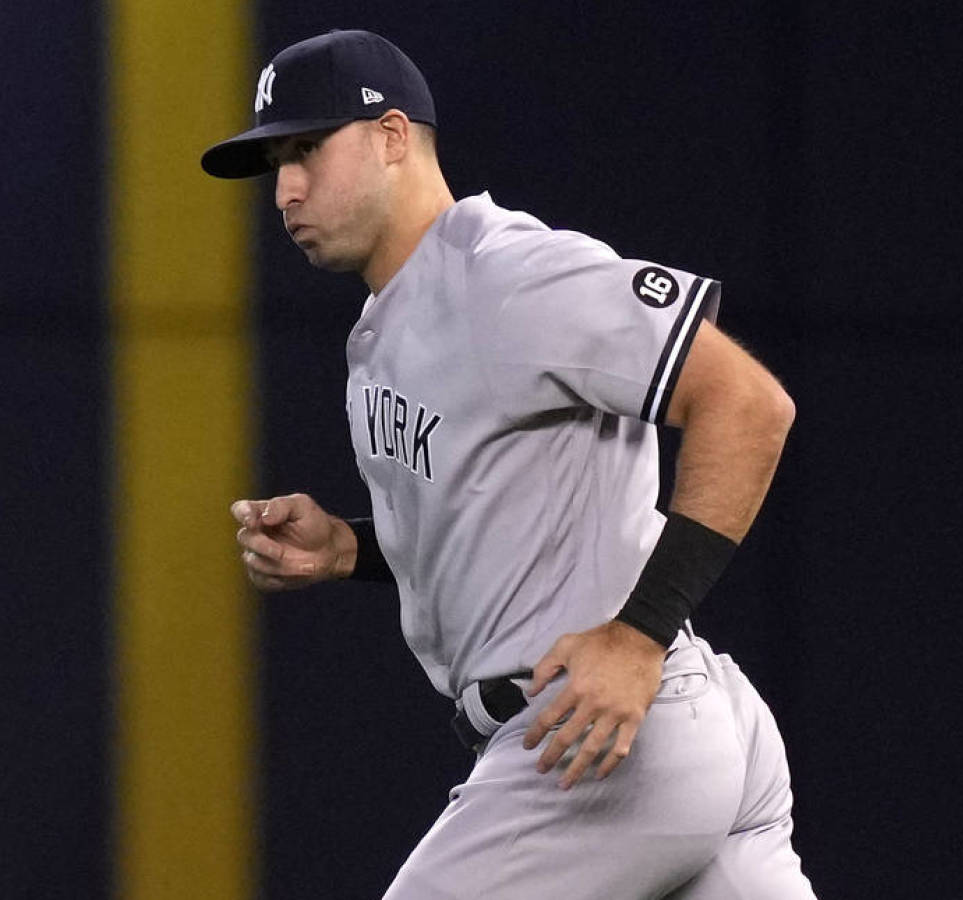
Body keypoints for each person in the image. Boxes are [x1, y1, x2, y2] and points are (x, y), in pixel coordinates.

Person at [203, 29, 815, 899]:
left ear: (391, 137)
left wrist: (638, 634)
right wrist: (349, 547)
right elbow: (503, 521)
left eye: (307, 148)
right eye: (275, 163)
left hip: (604, 737)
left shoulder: (507, 273)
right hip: (662, 725)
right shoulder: (394, 319)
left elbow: (750, 404)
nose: (286, 189)